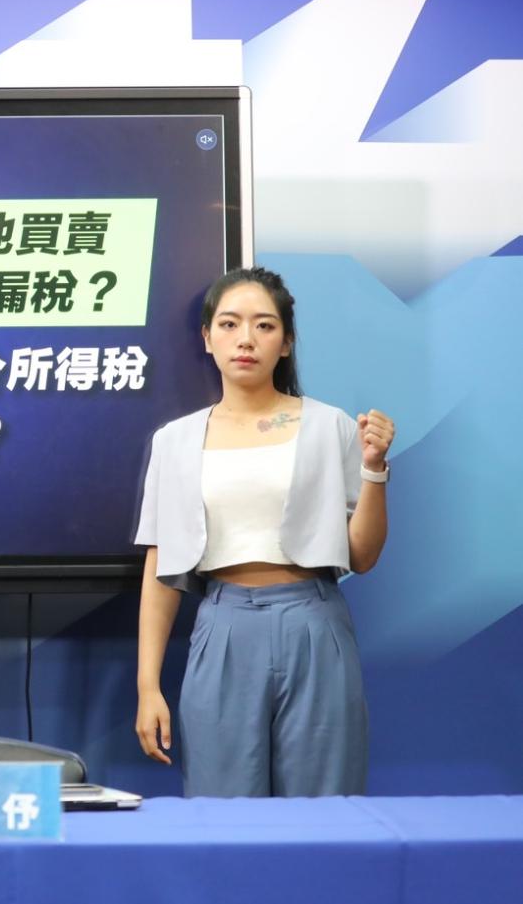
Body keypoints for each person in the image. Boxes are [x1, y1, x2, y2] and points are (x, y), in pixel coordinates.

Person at [133, 266, 394, 797]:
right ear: (207, 338)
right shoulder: (174, 441)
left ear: (287, 341)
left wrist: (374, 469)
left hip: (314, 623)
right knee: (221, 810)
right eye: (229, 324)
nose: (246, 339)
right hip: (223, 626)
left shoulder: (332, 426)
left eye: (264, 325)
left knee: (324, 806)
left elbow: (362, 556)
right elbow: (161, 567)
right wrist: (148, 685)